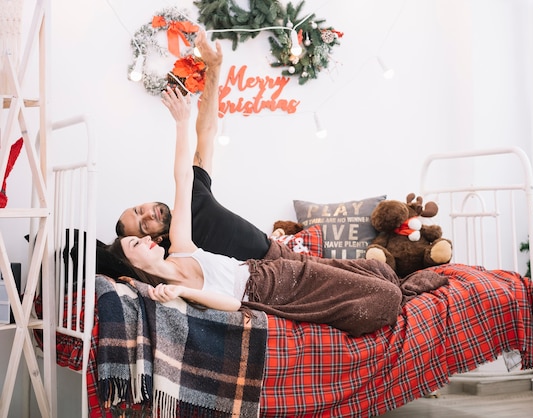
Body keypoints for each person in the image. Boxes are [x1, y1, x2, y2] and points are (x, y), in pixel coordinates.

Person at [107, 85, 403, 337]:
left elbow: (183, 179)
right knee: (385, 298)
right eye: (139, 239)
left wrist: (181, 123)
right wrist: (183, 292)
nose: (148, 238)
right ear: (137, 265)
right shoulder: (169, 291)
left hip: (274, 269)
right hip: (267, 293)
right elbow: (234, 305)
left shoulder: (181, 247)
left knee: (380, 272)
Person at [116, 30, 273, 261]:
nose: (149, 214)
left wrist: (214, 69)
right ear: (152, 240)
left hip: (278, 252)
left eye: (140, 210)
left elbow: (207, 132)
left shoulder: (193, 194)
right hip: (266, 279)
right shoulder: (176, 254)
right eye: (143, 226)